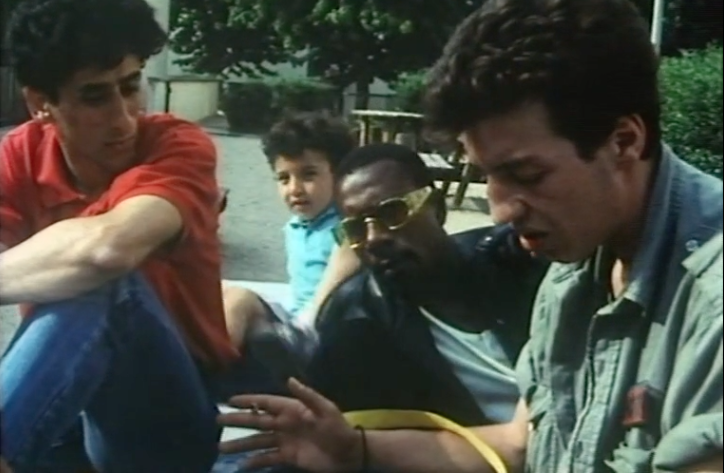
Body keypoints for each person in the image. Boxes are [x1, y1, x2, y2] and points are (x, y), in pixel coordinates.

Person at [217, 1, 723, 472]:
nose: (501, 212)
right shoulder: (575, 266)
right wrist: (354, 448)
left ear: (624, 141)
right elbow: (523, 444)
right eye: (486, 175)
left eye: (527, 175)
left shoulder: (712, 300)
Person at [0, 0, 237, 471]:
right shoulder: (20, 156)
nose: (124, 117)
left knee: (105, 283)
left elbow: (108, 250)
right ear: (40, 104)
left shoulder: (178, 145)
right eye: (95, 97)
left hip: (168, 419)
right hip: (67, 410)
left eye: (130, 87)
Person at [294, 143, 548, 423]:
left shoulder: (520, 259)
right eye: (355, 228)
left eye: (392, 213)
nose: (373, 238)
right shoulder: (356, 325)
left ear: (437, 207)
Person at [222, 111, 357, 349]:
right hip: (293, 319)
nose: (295, 189)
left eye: (308, 175)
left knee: (238, 301)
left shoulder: (344, 226)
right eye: (284, 178)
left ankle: (215, 366)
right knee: (219, 292)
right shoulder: (295, 227)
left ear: (339, 175)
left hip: (323, 332)